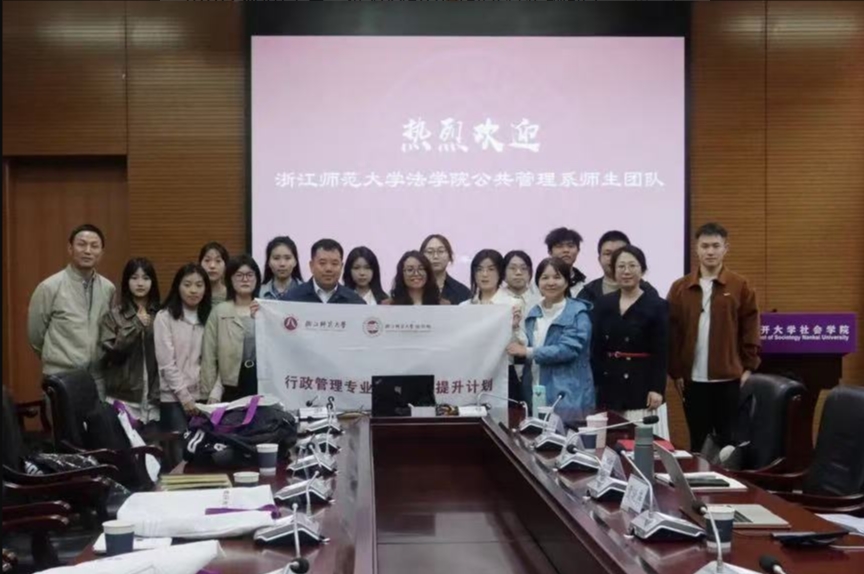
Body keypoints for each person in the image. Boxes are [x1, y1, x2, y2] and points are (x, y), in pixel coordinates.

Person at [667, 223, 761, 452]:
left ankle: (726, 476)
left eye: (716, 246)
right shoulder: (680, 288)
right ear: (696, 249)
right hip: (692, 380)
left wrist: (749, 367)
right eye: (705, 246)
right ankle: (700, 476)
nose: (710, 251)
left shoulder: (740, 286)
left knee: (728, 443)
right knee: (699, 441)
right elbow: (671, 332)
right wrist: (676, 371)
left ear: (726, 248)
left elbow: (750, 327)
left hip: (729, 379)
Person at [28, 224, 116, 396]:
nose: (88, 251)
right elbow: (35, 336)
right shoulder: (49, 287)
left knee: (99, 415)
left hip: (97, 378)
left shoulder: (108, 289)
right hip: (60, 377)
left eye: (94, 246)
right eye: (82, 244)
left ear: (101, 253)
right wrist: (57, 359)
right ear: (70, 248)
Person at [591, 246, 670, 438]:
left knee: (644, 444)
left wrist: (657, 388)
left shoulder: (657, 305)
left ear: (642, 270)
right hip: (610, 384)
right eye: (621, 266)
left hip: (642, 384)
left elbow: (662, 351)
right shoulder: (603, 303)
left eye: (632, 266)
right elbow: (596, 348)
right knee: (611, 441)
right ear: (613, 271)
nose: (626, 271)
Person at [506, 257, 594, 415]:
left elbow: (568, 350)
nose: (551, 282)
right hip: (535, 390)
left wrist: (528, 352)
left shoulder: (578, 313)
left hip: (568, 396)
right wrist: (515, 327)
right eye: (545, 278)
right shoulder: (534, 313)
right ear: (538, 282)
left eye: (557, 277)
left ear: (566, 282)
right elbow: (523, 346)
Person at [155, 263, 212, 465]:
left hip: (205, 398)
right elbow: (166, 364)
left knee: (203, 458)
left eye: (199, 285)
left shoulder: (211, 316)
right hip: (173, 398)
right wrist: (185, 398)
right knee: (179, 460)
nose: (193, 290)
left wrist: (213, 394)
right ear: (177, 287)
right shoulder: (164, 317)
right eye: (187, 284)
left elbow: (217, 359)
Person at [100, 258, 162, 428]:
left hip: (155, 395)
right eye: (134, 278)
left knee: (154, 441)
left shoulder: (161, 313)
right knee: (124, 440)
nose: (140, 283)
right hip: (124, 395)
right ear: (126, 282)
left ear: (153, 282)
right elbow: (113, 352)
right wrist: (135, 325)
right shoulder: (113, 316)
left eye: (146, 278)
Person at [201, 255, 262, 403]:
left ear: (257, 279)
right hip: (229, 383)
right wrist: (210, 391)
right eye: (239, 275)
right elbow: (209, 355)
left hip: (260, 379)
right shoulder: (219, 311)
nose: (245, 279)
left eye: (250, 275)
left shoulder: (265, 309)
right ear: (230, 279)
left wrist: (261, 318)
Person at [578, 231, 659, 304]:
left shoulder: (647, 291)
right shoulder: (587, 293)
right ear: (599, 259)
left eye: (619, 252)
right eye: (608, 254)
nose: (613, 258)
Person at [282, 239, 365, 304]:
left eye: (334, 263)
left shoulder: (355, 302)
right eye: (322, 263)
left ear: (341, 267)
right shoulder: (291, 299)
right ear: (311, 266)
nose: (328, 269)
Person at [420, 234, 471, 304]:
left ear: (449, 256)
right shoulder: (413, 289)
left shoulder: (463, 292)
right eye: (430, 252)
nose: (435, 256)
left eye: (441, 251)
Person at [383, 251, 449, 305]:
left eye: (421, 269)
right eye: (410, 270)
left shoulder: (443, 305)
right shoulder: (388, 305)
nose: (416, 274)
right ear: (401, 274)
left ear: (428, 272)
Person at [544, 227, 588, 298]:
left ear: (578, 251)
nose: (566, 250)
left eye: (570, 246)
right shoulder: (539, 283)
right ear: (550, 252)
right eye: (559, 246)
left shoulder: (586, 285)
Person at [260, 236, 303, 300]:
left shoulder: (308, 292)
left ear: (295, 261)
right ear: (268, 262)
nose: (282, 264)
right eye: (276, 258)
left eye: (287, 258)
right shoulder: (258, 292)